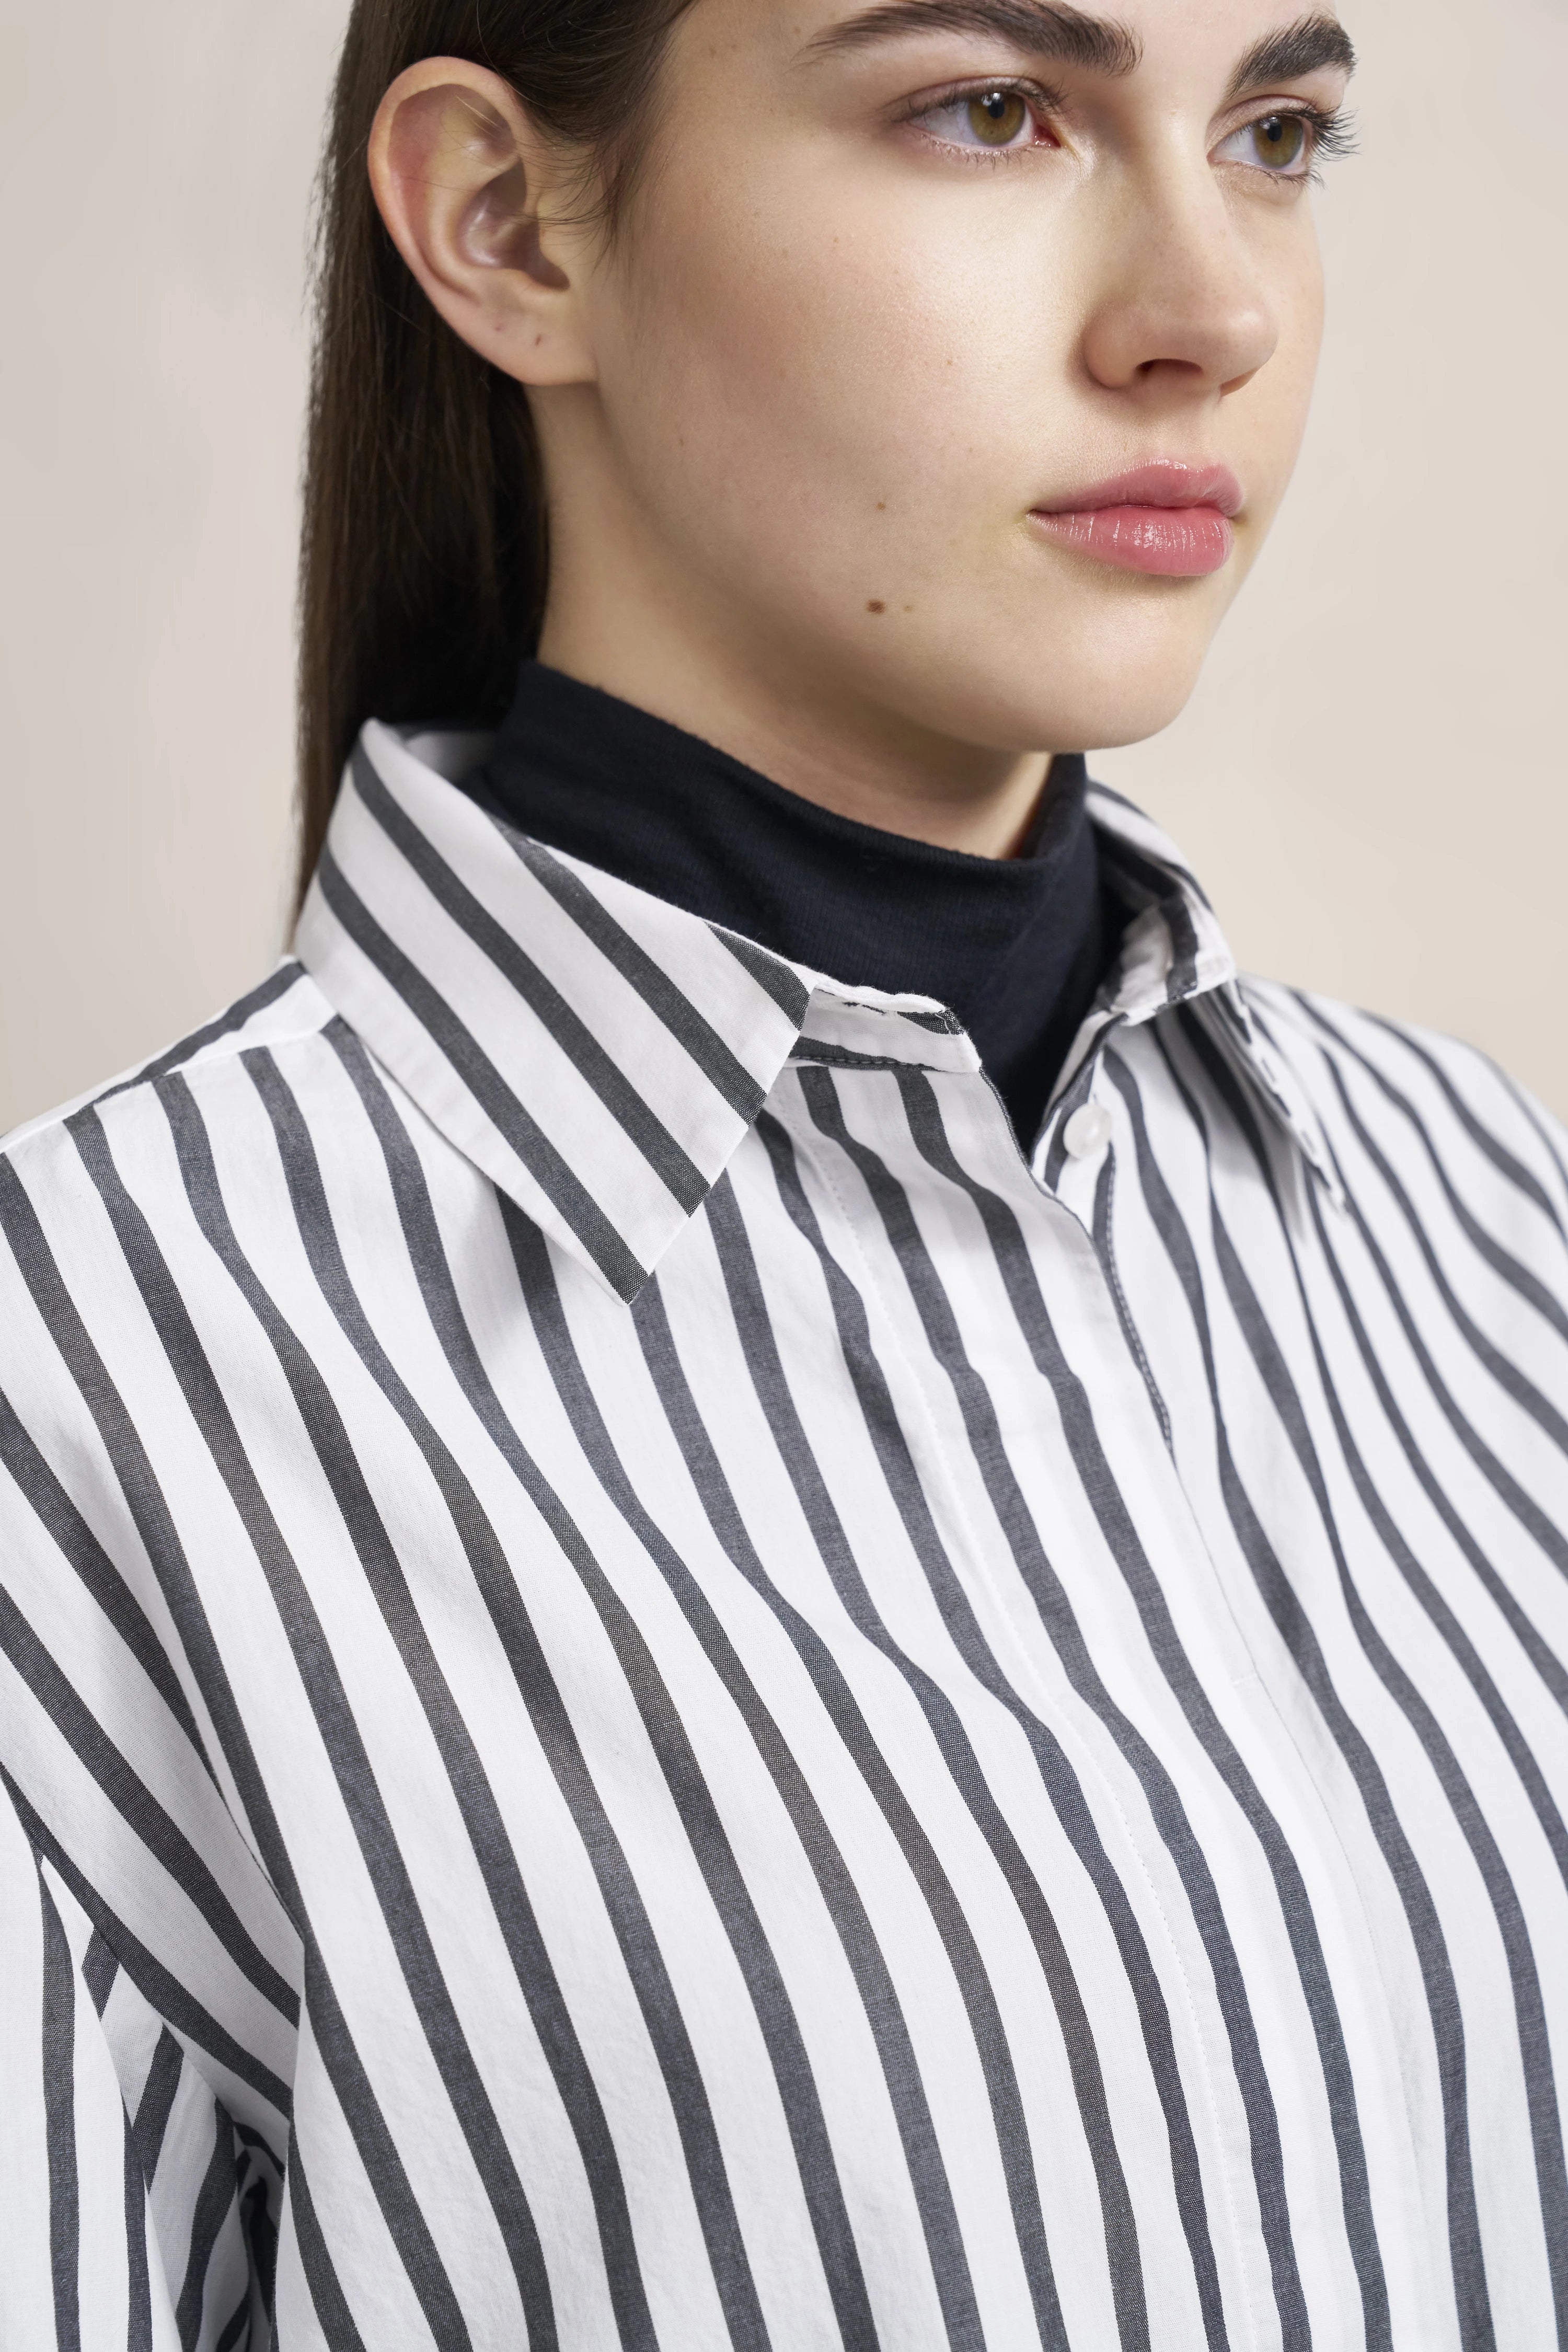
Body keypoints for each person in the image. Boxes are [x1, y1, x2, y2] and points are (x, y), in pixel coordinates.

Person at [3, 0, 1566, 2342]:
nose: (1213, 315)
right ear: (507, 224)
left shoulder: (1486, 1215)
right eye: (988, 108)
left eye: (1276, 131)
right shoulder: (87, 1387)